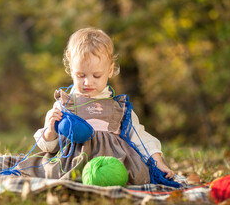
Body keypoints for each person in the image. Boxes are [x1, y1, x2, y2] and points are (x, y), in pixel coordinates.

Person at [21, 27, 175, 185]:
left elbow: (140, 138)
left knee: (140, 176)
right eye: (80, 76)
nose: (88, 82)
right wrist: (50, 130)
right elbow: (49, 147)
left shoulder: (118, 108)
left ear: (109, 70)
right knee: (47, 170)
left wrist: (158, 162)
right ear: (71, 70)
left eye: (96, 75)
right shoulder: (65, 104)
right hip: (73, 164)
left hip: (114, 163)